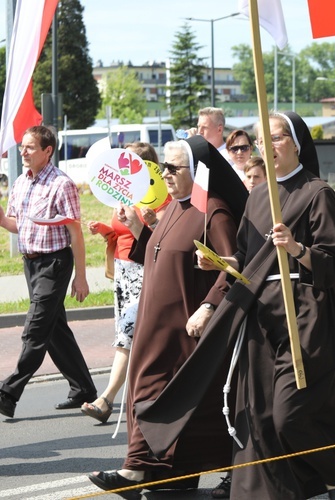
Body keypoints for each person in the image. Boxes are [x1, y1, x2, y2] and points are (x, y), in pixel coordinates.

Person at [134, 111, 335, 500]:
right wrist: (221, 263)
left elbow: (333, 265)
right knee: (260, 419)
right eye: (263, 140)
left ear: (296, 144)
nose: (267, 146)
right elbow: (248, 258)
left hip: (306, 315)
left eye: (276, 138)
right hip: (263, 318)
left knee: (289, 415)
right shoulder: (259, 196)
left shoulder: (318, 194)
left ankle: (333, 474)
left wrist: (297, 248)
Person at [88, 136, 247, 497]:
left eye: (174, 168)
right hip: (154, 328)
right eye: (164, 168)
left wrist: (208, 306)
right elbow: (157, 256)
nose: (166, 175)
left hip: (182, 332)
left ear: (198, 172)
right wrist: (140, 229)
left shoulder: (214, 211)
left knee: (152, 394)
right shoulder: (175, 206)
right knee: (163, 400)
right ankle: (172, 472)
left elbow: (234, 265)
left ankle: (134, 470)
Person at [0, 125, 97, 420]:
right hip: (31, 263)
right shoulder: (20, 183)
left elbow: (75, 233)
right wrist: (2, 219)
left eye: (30, 147)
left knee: (36, 329)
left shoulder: (61, 184)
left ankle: (8, 393)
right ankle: (83, 388)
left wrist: (81, 276)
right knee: (54, 330)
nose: (24, 152)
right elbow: (18, 225)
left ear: (47, 151)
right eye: (22, 147)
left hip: (55, 263)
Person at [81, 142, 170, 423]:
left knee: (127, 334)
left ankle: (106, 398)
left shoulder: (157, 196)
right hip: (123, 271)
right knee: (129, 333)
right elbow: (119, 232)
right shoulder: (122, 195)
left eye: (129, 161)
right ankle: (142, 395)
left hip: (145, 269)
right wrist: (103, 229)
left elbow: (162, 235)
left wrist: (148, 222)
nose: (122, 166)